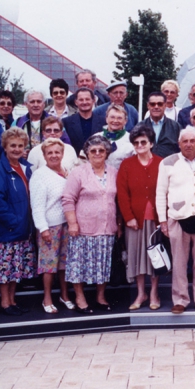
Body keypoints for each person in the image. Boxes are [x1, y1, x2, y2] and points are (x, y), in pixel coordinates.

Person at [156, 127, 195, 313]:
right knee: (179, 261)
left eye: (193, 141)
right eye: (185, 141)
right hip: (177, 218)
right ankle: (180, 300)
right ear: (179, 143)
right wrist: (162, 221)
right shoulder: (168, 162)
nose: (189, 144)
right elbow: (160, 193)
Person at [62, 134, 119, 313]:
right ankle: (80, 298)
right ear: (87, 153)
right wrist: (72, 223)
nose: (97, 153)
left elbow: (118, 200)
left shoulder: (114, 172)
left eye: (101, 150)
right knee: (79, 264)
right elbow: (68, 199)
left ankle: (100, 297)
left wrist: (119, 224)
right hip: (83, 228)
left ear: (107, 153)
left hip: (106, 227)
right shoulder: (78, 173)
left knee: (102, 264)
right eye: (93, 150)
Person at [0, 127, 36, 316]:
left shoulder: (26, 168)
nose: (16, 149)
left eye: (20, 146)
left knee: (17, 269)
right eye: (12, 145)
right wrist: (14, 222)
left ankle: (13, 301)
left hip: (24, 229)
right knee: (5, 269)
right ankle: (5, 303)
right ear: (5, 147)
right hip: (9, 229)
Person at [116, 125, 163, 310]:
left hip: (156, 218)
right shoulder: (127, 165)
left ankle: (154, 293)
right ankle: (141, 293)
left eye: (143, 142)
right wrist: (128, 217)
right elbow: (122, 193)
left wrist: (165, 219)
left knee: (155, 256)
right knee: (136, 256)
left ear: (151, 143)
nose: (140, 145)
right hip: (135, 219)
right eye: (136, 143)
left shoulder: (162, 163)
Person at [30, 138, 74, 313]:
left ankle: (65, 295)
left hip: (67, 225)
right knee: (49, 265)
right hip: (50, 227)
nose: (54, 155)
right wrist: (43, 229)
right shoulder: (40, 175)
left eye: (57, 152)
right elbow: (37, 205)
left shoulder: (67, 172)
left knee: (65, 264)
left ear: (62, 154)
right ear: (44, 155)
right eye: (50, 153)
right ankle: (47, 298)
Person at [136, 91, 181, 158]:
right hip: (146, 166)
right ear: (148, 106)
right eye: (152, 104)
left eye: (160, 104)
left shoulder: (175, 126)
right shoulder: (140, 127)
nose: (156, 107)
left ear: (165, 105)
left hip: (169, 166)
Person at [99, 104, 135, 170]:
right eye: (112, 117)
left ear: (125, 121)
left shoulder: (132, 140)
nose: (115, 121)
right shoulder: (95, 138)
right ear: (106, 119)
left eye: (119, 118)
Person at [63, 88, 97, 155]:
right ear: (76, 102)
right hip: (75, 161)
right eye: (81, 100)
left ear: (93, 101)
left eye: (87, 99)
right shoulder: (66, 122)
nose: (84, 102)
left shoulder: (103, 121)